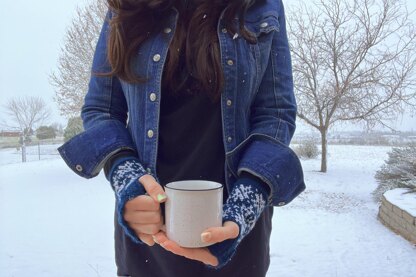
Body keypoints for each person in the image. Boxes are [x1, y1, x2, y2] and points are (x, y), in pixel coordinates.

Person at [58, 0, 305, 276]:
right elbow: (101, 109)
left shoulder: (262, 5)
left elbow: (276, 112)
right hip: (147, 234)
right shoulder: (126, 7)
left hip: (235, 232)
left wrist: (245, 205)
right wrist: (127, 178)